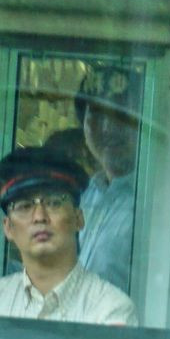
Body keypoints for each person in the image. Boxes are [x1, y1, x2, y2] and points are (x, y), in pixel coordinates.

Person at [0, 148, 135, 325]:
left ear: (78, 219)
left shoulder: (110, 309)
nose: (39, 217)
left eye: (54, 203)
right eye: (24, 206)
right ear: (8, 228)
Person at [71, 66, 139, 291]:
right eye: (97, 114)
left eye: (123, 116)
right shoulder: (88, 194)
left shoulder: (155, 204)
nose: (109, 127)